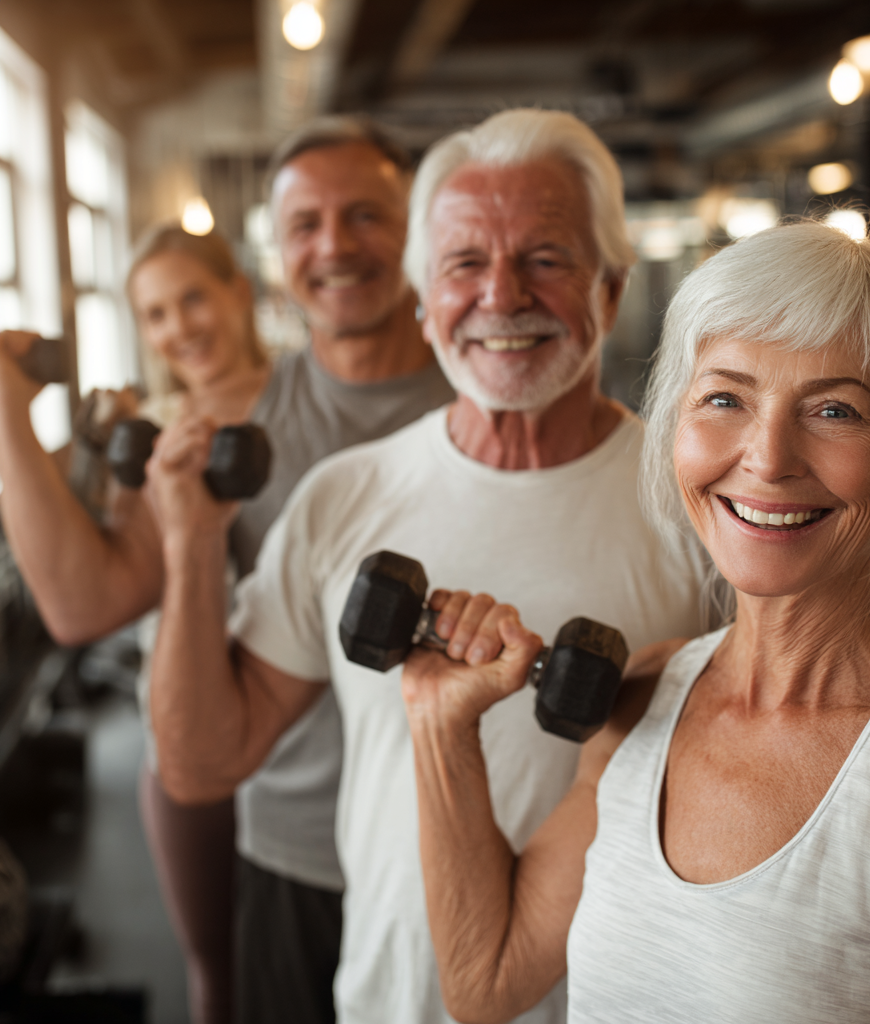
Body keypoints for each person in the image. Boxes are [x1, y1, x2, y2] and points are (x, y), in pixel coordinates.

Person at [144, 108, 708, 1023]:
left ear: (610, 289)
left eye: (545, 259)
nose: (501, 296)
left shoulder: (700, 510)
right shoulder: (343, 495)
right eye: (463, 263)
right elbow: (201, 763)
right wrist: (189, 540)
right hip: (387, 997)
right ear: (422, 298)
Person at [398, 220, 870, 1024]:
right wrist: (439, 725)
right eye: (725, 398)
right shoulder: (643, 698)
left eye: (834, 410)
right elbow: (486, 981)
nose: (768, 458)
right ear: (674, 431)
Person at [0, 116, 455, 1024]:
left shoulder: (493, 403)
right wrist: (8, 413)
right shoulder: (227, 425)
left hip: (467, 829)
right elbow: (84, 603)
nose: (336, 245)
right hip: (294, 837)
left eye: (367, 214)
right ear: (279, 254)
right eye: (306, 224)